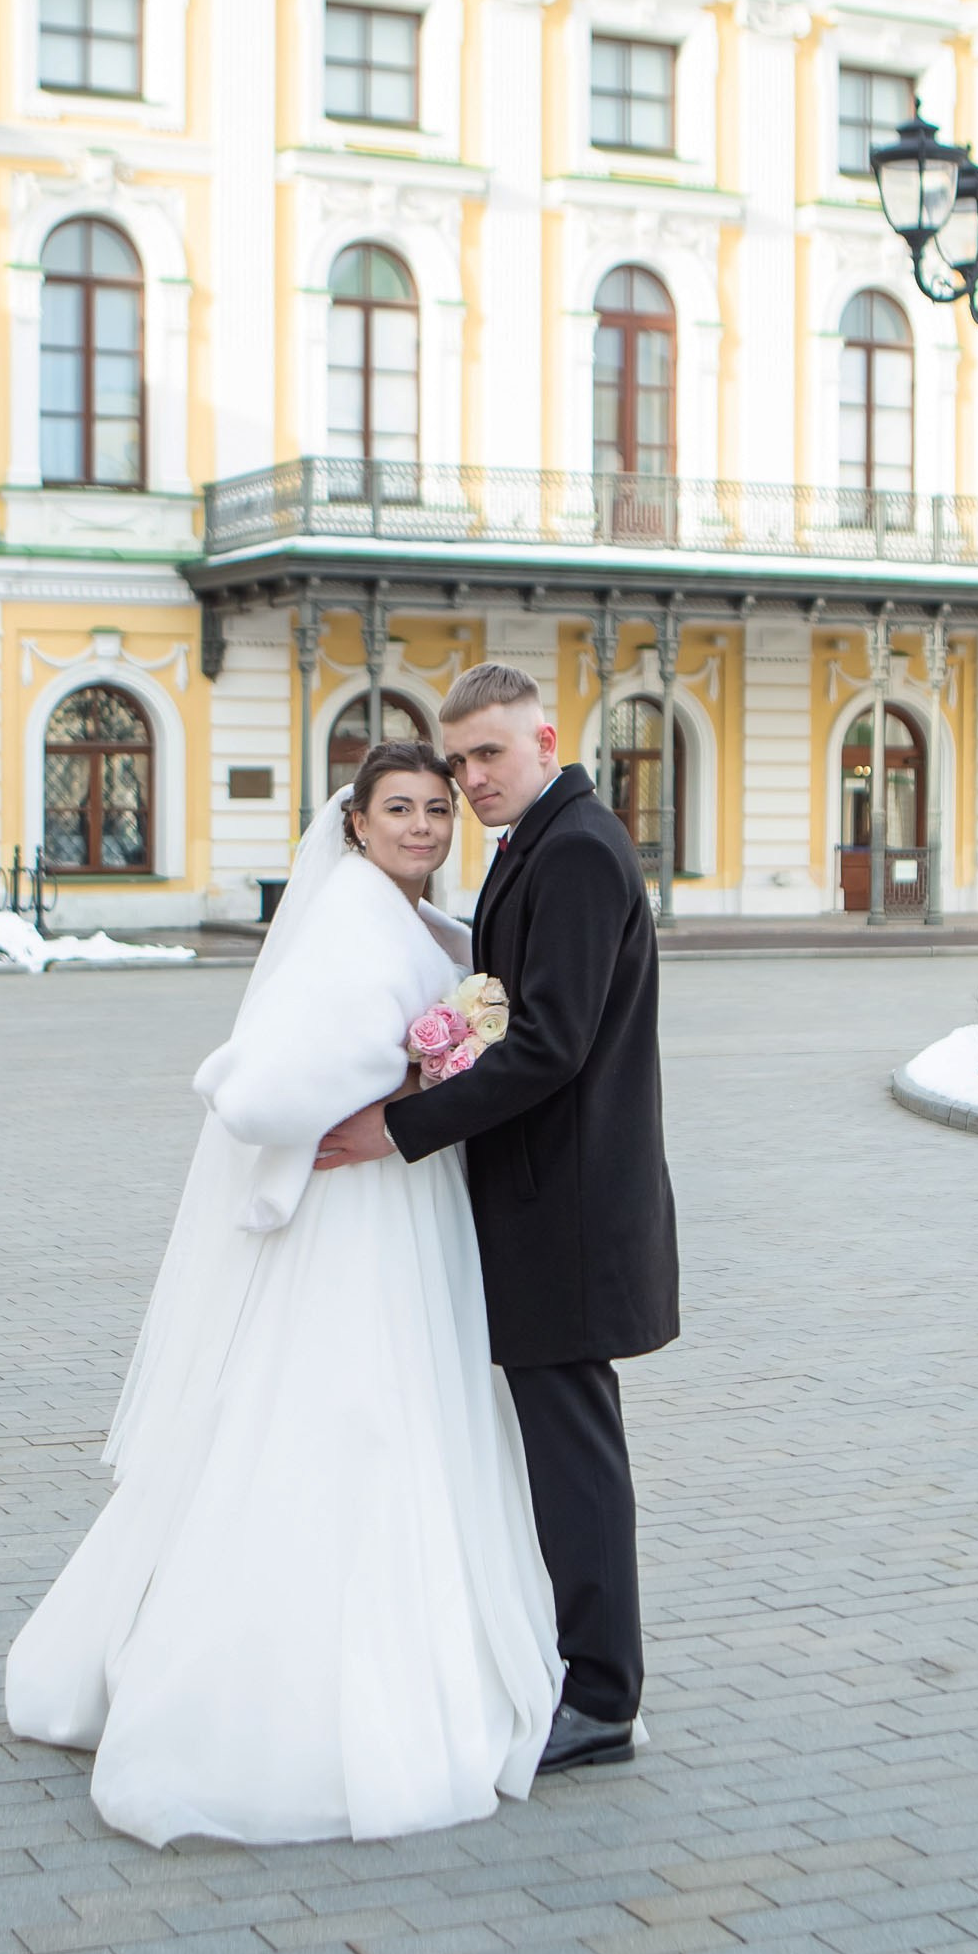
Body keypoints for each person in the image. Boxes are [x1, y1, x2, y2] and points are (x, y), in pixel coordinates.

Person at [4, 740, 560, 1845]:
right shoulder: (356, 917)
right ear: (354, 824)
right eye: (398, 808)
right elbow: (264, 1091)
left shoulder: (401, 916)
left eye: (437, 809)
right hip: (358, 1223)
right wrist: (399, 1086)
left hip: (398, 1205)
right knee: (346, 1417)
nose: (421, 826)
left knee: (381, 1420)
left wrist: (423, 1071)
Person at [317, 663, 680, 1774]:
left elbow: (549, 1044)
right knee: (566, 1450)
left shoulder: (572, 848)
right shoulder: (541, 840)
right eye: (458, 757)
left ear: (545, 737)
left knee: (576, 1456)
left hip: (564, 1210)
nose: (470, 778)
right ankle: (582, 1673)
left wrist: (400, 1126)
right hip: (548, 1201)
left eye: (488, 755)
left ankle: (603, 1698)